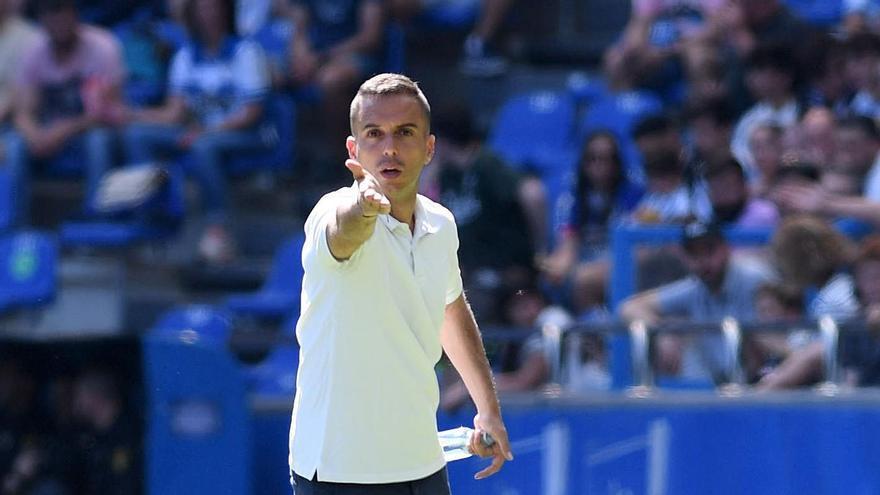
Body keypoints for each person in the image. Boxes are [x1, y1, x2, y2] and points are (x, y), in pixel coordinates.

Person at [288, 73, 513, 494]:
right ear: (353, 150)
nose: (389, 148)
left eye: (405, 133)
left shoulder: (442, 224)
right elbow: (345, 231)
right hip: (338, 472)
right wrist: (365, 206)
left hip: (421, 464)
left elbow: (450, 307)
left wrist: (488, 409)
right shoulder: (332, 212)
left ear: (429, 148)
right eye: (374, 134)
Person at [123, 0, 273, 263]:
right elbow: (174, 114)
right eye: (203, 9)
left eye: (215, 8)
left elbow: (252, 113)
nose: (209, 15)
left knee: (202, 145)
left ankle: (219, 229)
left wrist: (207, 130)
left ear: (226, 13)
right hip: (199, 133)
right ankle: (150, 215)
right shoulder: (185, 57)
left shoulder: (245, 52)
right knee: (138, 135)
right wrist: (129, 114)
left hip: (248, 135)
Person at [7, 0, 125, 225]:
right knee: (16, 144)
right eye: (50, 14)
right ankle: (15, 225)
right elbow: (24, 111)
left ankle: (98, 217)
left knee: (97, 140)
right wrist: (34, 135)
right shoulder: (35, 51)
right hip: (48, 135)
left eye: (62, 12)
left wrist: (63, 130)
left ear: (75, 15)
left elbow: (105, 113)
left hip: (90, 131)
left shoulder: (102, 47)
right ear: (42, 20)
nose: (57, 20)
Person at [619, 221, 775, 382]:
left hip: (768, 379)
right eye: (694, 254)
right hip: (723, 385)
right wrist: (661, 334)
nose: (703, 261)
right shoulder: (695, 288)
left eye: (709, 250)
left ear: (726, 249)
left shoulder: (755, 278)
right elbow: (630, 307)